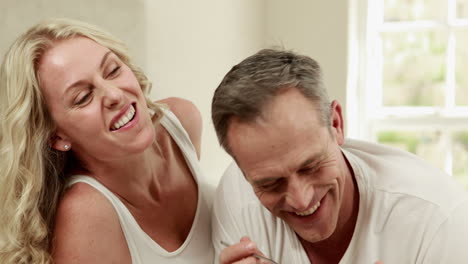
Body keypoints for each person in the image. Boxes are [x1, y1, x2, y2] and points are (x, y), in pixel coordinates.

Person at [210, 48, 468, 264]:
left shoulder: (440, 221)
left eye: (310, 166)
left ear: (336, 123)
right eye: (270, 183)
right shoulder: (237, 195)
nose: (301, 200)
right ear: (243, 170)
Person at [0, 18, 213, 264]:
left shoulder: (182, 122)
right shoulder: (86, 215)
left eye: (113, 70)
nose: (114, 94)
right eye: (83, 97)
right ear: (57, 137)